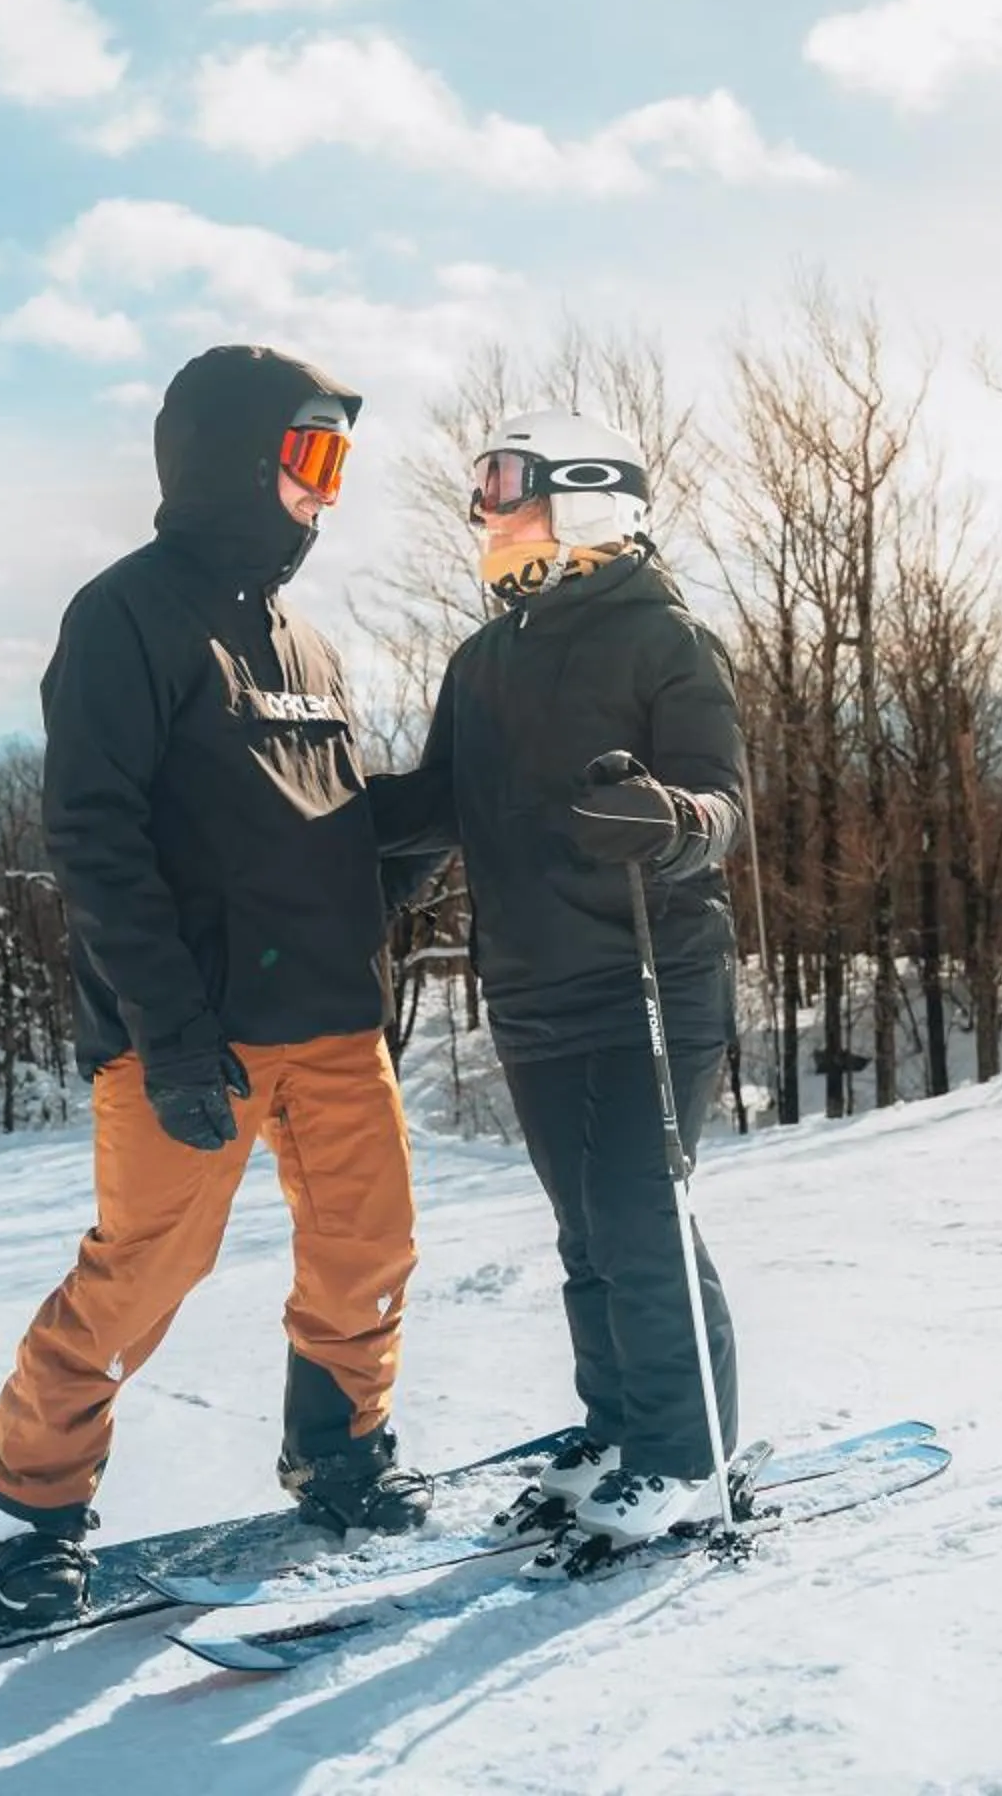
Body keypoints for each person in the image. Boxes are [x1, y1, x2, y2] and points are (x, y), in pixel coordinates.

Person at [0, 345, 432, 1629]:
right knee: (140, 1279)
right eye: (312, 455)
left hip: (335, 1021)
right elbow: (97, 836)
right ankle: (34, 1507)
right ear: (239, 454)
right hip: (192, 1036)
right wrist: (168, 1035)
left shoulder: (307, 641)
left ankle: (339, 1453)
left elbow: (327, 827)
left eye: (341, 460)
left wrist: (440, 808)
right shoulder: (124, 616)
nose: (327, 490)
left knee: (370, 1251)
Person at [372, 405, 748, 1552]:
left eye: (506, 481)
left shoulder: (664, 638)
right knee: (584, 1230)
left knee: (641, 1216)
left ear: (590, 495)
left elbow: (722, 804)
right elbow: (430, 814)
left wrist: (673, 817)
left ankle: (687, 1455)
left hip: (649, 971)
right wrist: (316, 855)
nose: (484, 506)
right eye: (482, 484)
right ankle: (617, 1422)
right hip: (533, 985)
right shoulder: (483, 658)